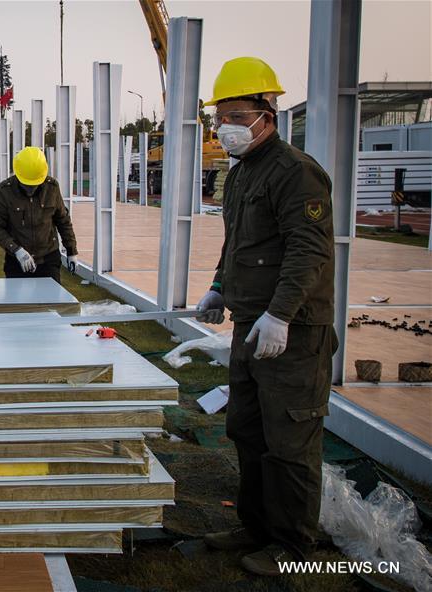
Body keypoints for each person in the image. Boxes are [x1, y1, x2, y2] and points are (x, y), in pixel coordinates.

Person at [195, 57, 337, 577]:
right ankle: (255, 527)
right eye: (220, 118)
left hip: (293, 332)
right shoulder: (241, 175)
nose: (225, 127)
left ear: (266, 112)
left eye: (235, 116)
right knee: (247, 429)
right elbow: (237, 242)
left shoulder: (295, 171)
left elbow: (307, 249)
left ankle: (295, 547)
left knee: (290, 441)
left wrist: (280, 315)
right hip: (249, 325)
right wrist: (217, 288)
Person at [0, 146, 78, 283]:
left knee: (51, 303)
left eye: (34, 185)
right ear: (18, 175)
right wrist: (17, 250)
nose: (31, 189)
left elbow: (63, 220)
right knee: (19, 304)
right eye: (27, 185)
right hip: (17, 262)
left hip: (48, 259)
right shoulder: (3, 193)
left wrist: (71, 251)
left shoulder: (52, 188)